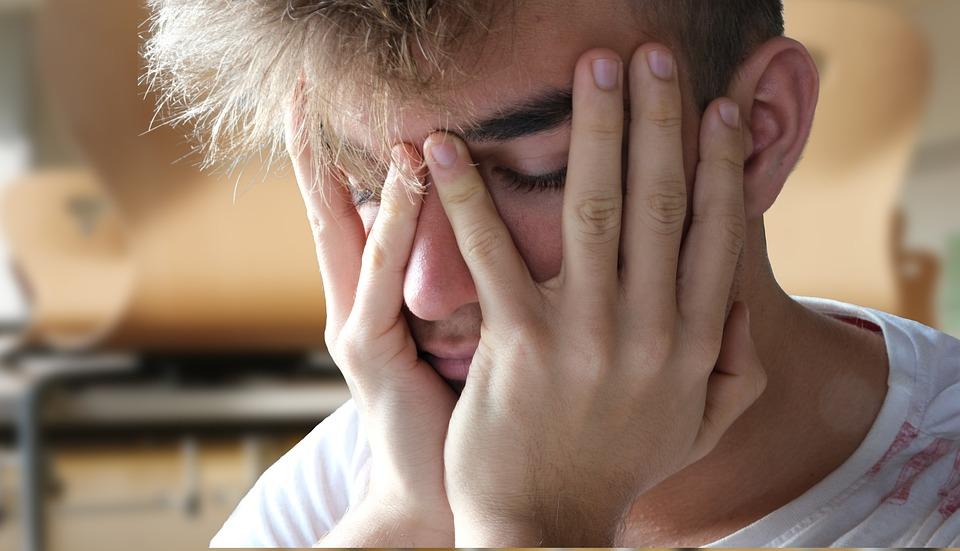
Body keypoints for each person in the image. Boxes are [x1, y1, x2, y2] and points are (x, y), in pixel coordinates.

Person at [144, 0, 960, 546]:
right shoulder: (358, 478)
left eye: (542, 170)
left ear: (761, 130)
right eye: (370, 188)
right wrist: (407, 517)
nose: (427, 287)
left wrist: (531, 520)